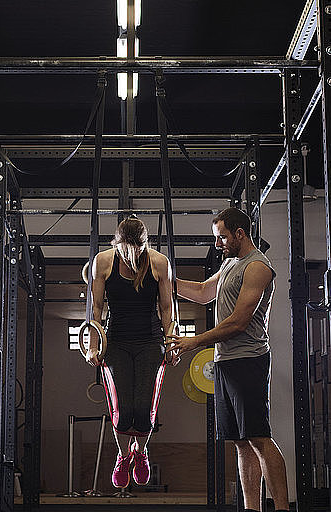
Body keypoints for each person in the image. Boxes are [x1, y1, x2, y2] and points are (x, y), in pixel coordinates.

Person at [167, 207, 289, 512]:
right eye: (216, 237)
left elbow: (238, 322)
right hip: (225, 361)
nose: (218, 244)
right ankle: (252, 508)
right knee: (240, 440)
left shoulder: (257, 266)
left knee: (259, 437)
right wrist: (164, 279)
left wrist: (193, 341)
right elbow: (204, 292)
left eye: (222, 237)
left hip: (248, 360)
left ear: (239, 233)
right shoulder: (231, 263)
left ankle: (284, 508)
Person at [85, 215, 179, 489]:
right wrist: (93, 344)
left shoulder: (159, 262)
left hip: (150, 342)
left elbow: (166, 309)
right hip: (116, 342)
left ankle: (142, 452)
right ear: (118, 243)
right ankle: (123, 455)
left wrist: (171, 343)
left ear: (144, 244)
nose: (131, 254)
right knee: (123, 410)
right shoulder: (103, 262)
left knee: (144, 409)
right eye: (126, 248)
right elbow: (97, 309)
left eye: (137, 249)